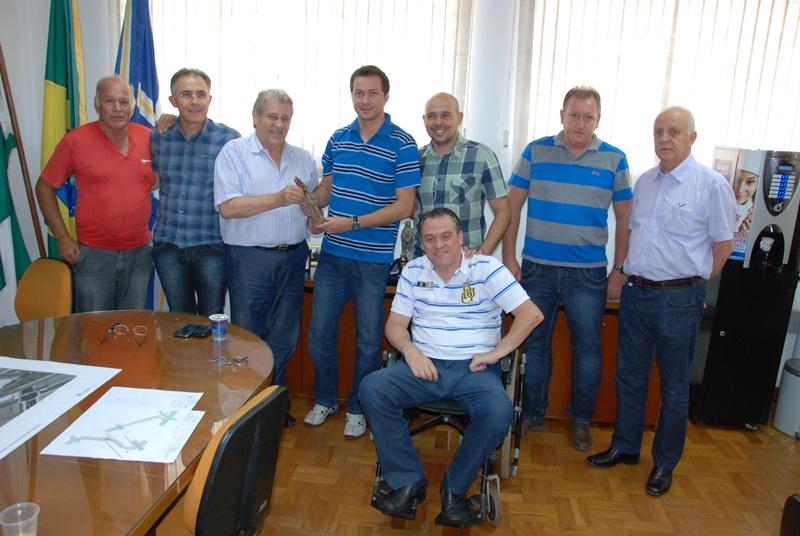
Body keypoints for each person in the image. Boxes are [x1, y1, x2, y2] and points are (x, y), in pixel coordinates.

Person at [360, 208, 543, 528]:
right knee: (372, 389)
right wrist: (410, 352)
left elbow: (531, 315)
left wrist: (496, 353)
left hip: (474, 369)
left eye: (446, 236)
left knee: (498, 411)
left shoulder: (486, 268)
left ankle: (454, 490)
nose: (438, 245)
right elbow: (395, 326)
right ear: (422, 242)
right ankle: (408, 481)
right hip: (423, 366)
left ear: (460, 238)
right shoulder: (413, 270)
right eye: (430, 239)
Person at [586, 106, 736, 496]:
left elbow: (725, 244)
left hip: (679, 301)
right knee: (629, 377)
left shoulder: (711, 185)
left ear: (692, 138)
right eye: (658, 132)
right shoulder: (645, 181)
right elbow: (633, 231)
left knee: (673, 387)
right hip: (637, 294)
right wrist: (621, 271)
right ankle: (625, 447)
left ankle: (665, 463)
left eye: (674, 131)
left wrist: (696, 285)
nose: (664, 139)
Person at [501, 86, 633, 451]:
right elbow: (511, 207)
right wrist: (508, 257)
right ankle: (532, 414)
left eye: (588, 117)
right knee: (534, 346)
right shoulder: (535, 151)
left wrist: (619, 269)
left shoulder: (615, 159)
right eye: (574, 115)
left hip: (588, 274)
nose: (580, 123)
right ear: (562, 116)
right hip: (537, 270)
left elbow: (626, 219)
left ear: (598, 120)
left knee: (588, 350)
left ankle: (581, 420)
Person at [303, 65, 421, 439]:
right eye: (358, 93)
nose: (365, 100)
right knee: (319, 334)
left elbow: (404, 206)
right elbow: (327, 189)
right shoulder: (338, 139)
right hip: (333, 256)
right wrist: (312, 208)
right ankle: (325, 399)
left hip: (373, 261)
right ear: (351, 95)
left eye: (372, 93)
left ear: (386, 96)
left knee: (368, 342)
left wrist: (352, 223)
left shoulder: (403, 143)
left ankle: (358, 407)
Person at [214, 89, 318, 427]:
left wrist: (313, 213)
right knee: (249, 339)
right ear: (256, 116)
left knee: (285, 338)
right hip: (250, 260)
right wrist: (277, 198)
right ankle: (248, 415)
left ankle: (273, 406)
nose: (279, 124)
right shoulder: (234, 153)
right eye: (272, 116)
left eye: (285, 118)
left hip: (294, 258)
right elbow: (228, 207)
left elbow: (311, 206)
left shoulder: (303, 158)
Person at [36, 75, 155, 312]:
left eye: (124, 101)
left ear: (133, 107)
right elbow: (44, 187)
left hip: (139, 255)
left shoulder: (149, 137)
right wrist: (62, 238)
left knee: (132, 326)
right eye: (109, 101)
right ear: (96, 104)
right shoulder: (75, 141)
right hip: (93, 258)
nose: (117, 108)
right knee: (94, 327)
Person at [150, 68, 240, 316]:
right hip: (168, 245)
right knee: (179, 318)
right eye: (186, 94)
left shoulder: (229, 139)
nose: (194, 101)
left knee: (212, 317)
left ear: (210, 99)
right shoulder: (158, 137)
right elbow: (150, 178)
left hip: (210, 245)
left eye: (201, 94)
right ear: (173, 101)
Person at [413, 92, 510, 257]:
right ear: (424, 120)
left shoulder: (482, 156)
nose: (438, 122)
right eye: (432, 116)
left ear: (459, 118)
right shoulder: (416, 159)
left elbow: (503, 212)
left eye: (446, 115)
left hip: (467, 262)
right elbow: (410, 207)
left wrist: (482, 254)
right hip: (422, 260)